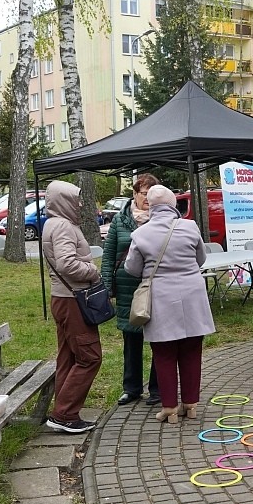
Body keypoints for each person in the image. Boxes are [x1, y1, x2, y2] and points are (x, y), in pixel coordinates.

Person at [124, 185, 215, 424]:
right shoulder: (190, 226)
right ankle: (191, 404)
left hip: (161, 297)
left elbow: (132, 269)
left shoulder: (141, 234)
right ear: (174, 205)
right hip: (193, 295)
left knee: (163, 354)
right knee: (192, 350)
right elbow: (201, 259)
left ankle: (169, 408)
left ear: (151, 206)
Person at [42, 180, 104, 434]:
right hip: (73, 299)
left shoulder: (52, 224)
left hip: (63, 298)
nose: (79, 204)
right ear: (63, 201)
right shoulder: (64, 227)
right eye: (75, 199)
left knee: (68, 355)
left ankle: (63, 409)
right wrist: (93, 271)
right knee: (90, 357)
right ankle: (64, 414)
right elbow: (67, 264)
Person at [102, 173, 161, 406]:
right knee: (131, 339)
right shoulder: (120, 220)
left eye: (151, 194)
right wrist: (107, 286)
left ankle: (157, 389)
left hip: (154, 286)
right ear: (134, 194)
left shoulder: (160, 219)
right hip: (127, 288)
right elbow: (108, 255)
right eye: (144, 193)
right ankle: (132, 388)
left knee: (159, 339)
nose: (147, 198)